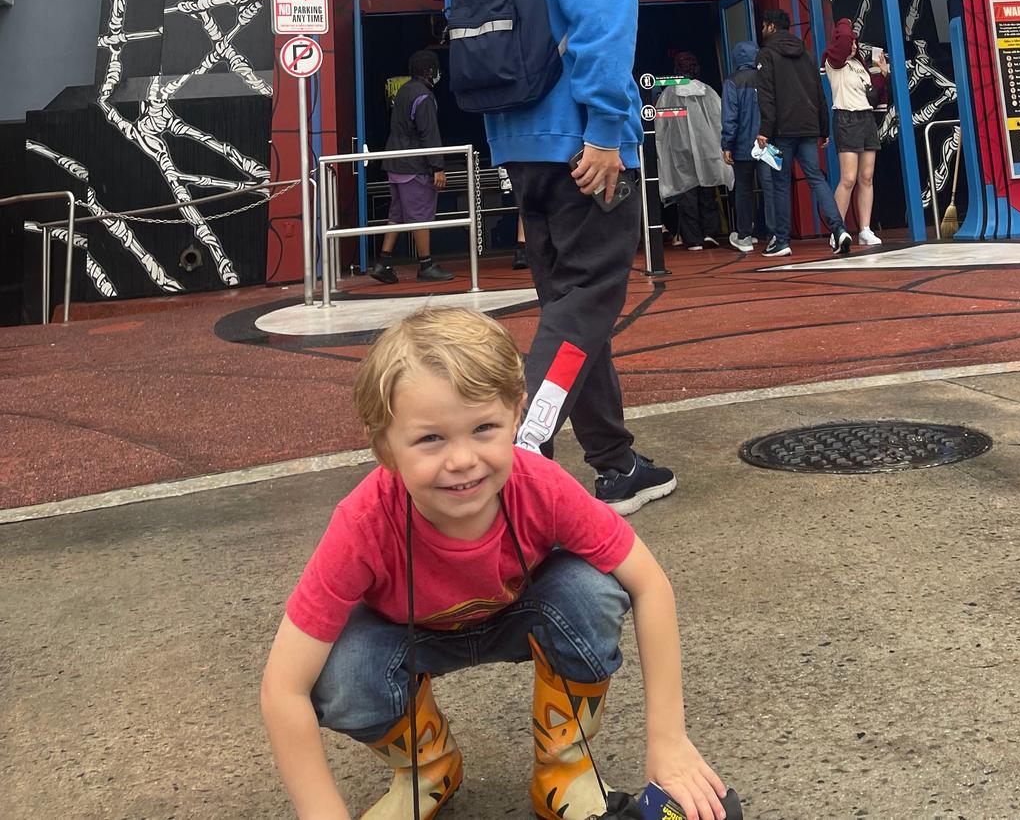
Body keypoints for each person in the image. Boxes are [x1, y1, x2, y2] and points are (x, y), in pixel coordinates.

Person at [261, 308, 728, 820]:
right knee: (338, 667)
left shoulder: (541, 487)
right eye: (430, 438)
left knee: (593, 589)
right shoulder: (363, 524)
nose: (462, 459)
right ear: (385, 449)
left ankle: (564, 765)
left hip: (524, 615)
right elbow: (283, 688)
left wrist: (669, 741)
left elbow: (651, 585)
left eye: (484, 427)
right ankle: (428, 767)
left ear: (516, 417)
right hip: (404, 640)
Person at [450, 0, 674, 515]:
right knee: (585, 300)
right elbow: (603, 19)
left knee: (575, 303)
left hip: (518, 139)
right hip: (583, 140)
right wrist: (609, 129)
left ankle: (615, 461)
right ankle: (519, 445)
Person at [755, 9, 853, 259]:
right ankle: (839, 229)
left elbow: (766, 96)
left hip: (779, 131)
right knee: (816, 179)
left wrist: (764, 130)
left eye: (764, 26)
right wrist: (824, 128)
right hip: (808, 128)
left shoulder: (766, 54)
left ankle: (782, 241)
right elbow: (818, 92)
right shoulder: (806, 53)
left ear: (770, 27)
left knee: (780, 184)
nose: (762, 30)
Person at [374, 51, 451, 285]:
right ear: (429, 71)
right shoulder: (424, 97)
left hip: (395, 163)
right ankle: (426, 264)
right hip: (414, 166)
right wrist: (437, 166)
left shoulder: (404, 90)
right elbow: (429, 133)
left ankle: (383, 262)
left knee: (396, 215)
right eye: (436, 69)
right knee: (421, 216)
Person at [823, 17, 888, 252]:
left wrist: (881, 74)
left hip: (866, 118)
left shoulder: (859, 64)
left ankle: (865, 229)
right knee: (848, 178)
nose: (853, 46)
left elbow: (871, 96)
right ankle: (837, 230)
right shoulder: (834, 62)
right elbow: (840, 46)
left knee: (867, 177)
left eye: (855, 42)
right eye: (850, 42)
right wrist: (846, 26)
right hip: (846, 118)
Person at [654, 51, 724, 251]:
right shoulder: (708, 91)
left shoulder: (669, 93)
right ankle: (711, 233)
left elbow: (660, 126)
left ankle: (693, 239)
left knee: (687, 194)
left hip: (680, 150)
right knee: (708, 190)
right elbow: (719, 120)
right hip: (707, 148)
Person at [720, 40, 768, 252]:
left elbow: (730, 118)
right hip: (767, 144)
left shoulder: (732, 82)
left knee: (743, 190)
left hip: (741, 146)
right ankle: (772, 233)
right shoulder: (766, 79)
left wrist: (726, 144)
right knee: (771, 187)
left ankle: (745, 236)